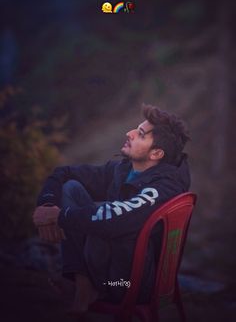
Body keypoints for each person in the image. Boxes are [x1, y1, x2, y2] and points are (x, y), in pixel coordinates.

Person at [33, 103, 191, 315]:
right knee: (71, 188)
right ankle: (83, 287)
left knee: (108, 217)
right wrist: (48, 205)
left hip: (127, 284)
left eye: (141, 134)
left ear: (156, 153)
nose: (130, 133)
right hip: (111, 271)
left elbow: (116, 218)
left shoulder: (165, 186)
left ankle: (83, 290)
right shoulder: (125, 169)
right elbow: (64, 173)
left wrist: (61, 216)